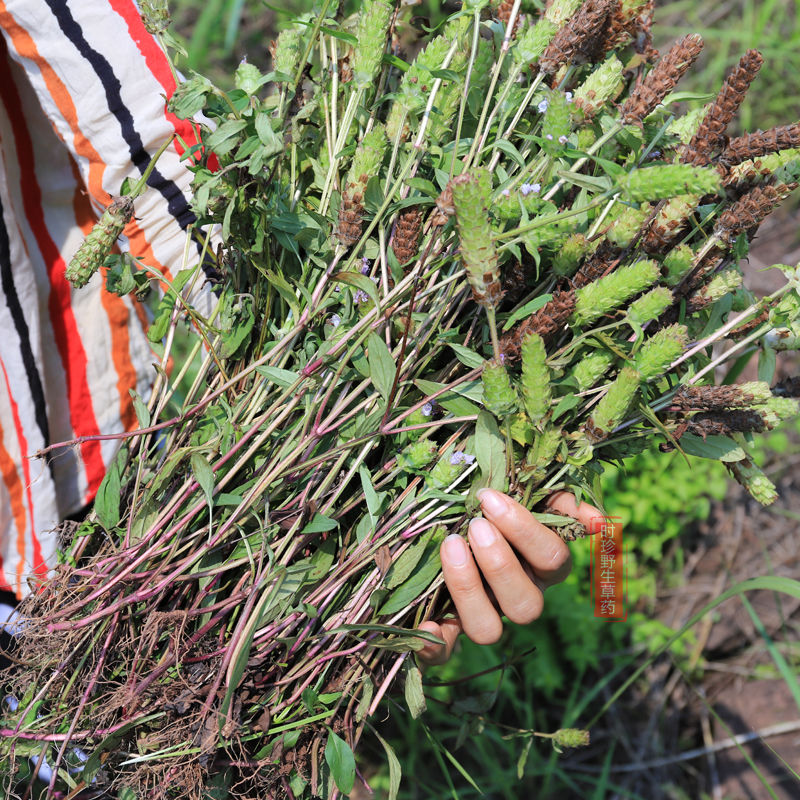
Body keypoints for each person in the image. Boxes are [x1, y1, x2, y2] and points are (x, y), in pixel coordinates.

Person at [0, 0, 600, 665]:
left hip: (41, 489)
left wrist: (310, 317)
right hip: (47, 502)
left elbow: (128, 116)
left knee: (97, 689)